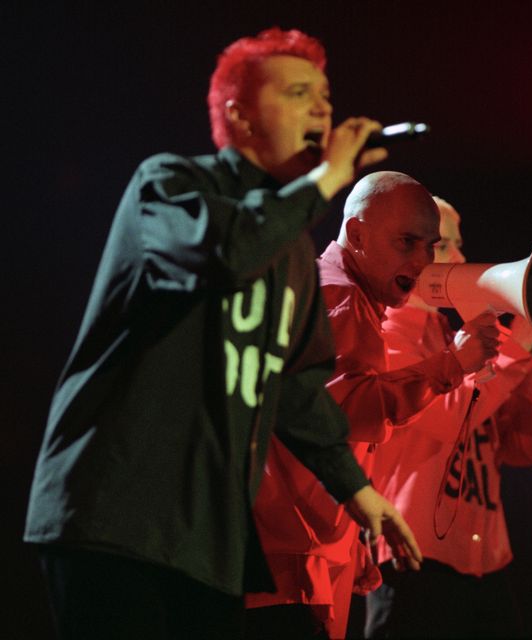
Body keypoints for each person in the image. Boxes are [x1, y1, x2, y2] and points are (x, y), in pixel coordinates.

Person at [23, 27, 422, 640]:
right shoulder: (170, 185)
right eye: (297, 93)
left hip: (209, 545)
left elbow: (296, 389)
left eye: (324, 95)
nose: (321, 109)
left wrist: (358, 492)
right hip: (115, 520)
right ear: (239, 116)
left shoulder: (291, 245)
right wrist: (322, 183)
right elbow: (222, 252)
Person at [246, 174, 501, 639]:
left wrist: (350, 540)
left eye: (430, 246)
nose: (422, 261)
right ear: (358, 235)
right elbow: (348, 411)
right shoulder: (341, 298)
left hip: (296, 563)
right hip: (289, 569)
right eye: (408, 242)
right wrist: (456, 362)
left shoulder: (337, 294)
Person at [361, 196, 532, 638]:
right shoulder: (383, 336)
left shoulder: (456, 336)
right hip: (415, 558)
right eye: (445, 245)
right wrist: (519, 345)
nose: (462, 259)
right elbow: (449, 418)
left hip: (488, 561)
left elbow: (523, 449)